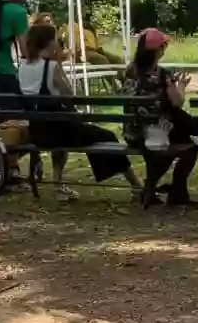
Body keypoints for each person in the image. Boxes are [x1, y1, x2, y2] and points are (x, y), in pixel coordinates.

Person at [21, 22, 135, 199]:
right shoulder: (51, 67)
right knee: (108, 137)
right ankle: (136, 185)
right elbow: (71, 95)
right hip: (59, 130)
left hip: (36, 131)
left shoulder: (23, 67)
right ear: (50, 43)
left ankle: (58, 185)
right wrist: (59, 66)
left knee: (66, 141)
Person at [123, 28, 198, 207]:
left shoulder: (129, 70)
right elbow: (177, 102)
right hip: (155, 134)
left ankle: (150, 191)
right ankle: (175, 192)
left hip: (133, 133)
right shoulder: (163, 74)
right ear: (158, 50)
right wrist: (181, 85)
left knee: (172, 146)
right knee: (190, 147)